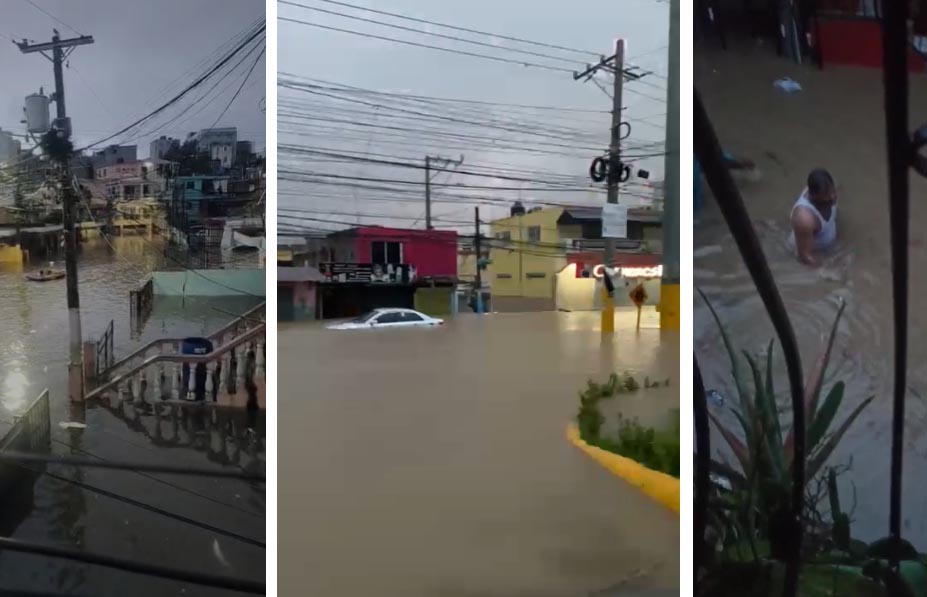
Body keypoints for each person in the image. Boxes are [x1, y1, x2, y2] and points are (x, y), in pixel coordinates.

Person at [789, 168, 837, 266]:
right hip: (816, 251)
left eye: (832, 191)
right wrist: (827, 270)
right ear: (813, 195)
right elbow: (804, 257)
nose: (832, 197)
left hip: (828, 246)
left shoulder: (828, 192)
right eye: (826, 196)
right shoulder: (804, 219)